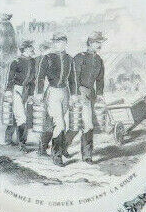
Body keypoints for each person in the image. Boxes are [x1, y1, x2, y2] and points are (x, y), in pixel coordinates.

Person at [36, 35, 77, 165]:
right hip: (52, 92)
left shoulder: (69, 59)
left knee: (54, 123)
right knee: (60, 124)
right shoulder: (48, 58)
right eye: (58, 42)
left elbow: (72, 79)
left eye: (63, 42)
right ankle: (56, 155)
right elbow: (40, 77)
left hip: (65, 93)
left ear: (65, 43)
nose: (60, 44)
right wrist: (39, 93)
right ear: (54, 43)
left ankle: (42, 146)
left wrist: (74, 94)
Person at [72, 33, 107, 163]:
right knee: (85, 124)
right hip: (80, 92)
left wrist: (100, 94)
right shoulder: (80, 57)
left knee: (87, 124)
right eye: (97, 42)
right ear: (90, 43)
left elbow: (100, 79)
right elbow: (74, 77)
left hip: (91, 94)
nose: (100, 45)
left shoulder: (99, 60)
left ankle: (86, 154)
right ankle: (86, 155)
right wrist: (75, 93)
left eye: (100, 42)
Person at [3, 41, 38, 146]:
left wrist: (31, 94)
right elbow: (10, 78)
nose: (32, 49)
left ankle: (9, 138)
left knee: (18, 115)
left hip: (26, 91)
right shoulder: (16, 62)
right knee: (21, 117)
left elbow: (33, 80)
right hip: (16, 89)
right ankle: (21, 142)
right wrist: (8, 91)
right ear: (25, 49)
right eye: (30, 48)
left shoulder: (33, 61)